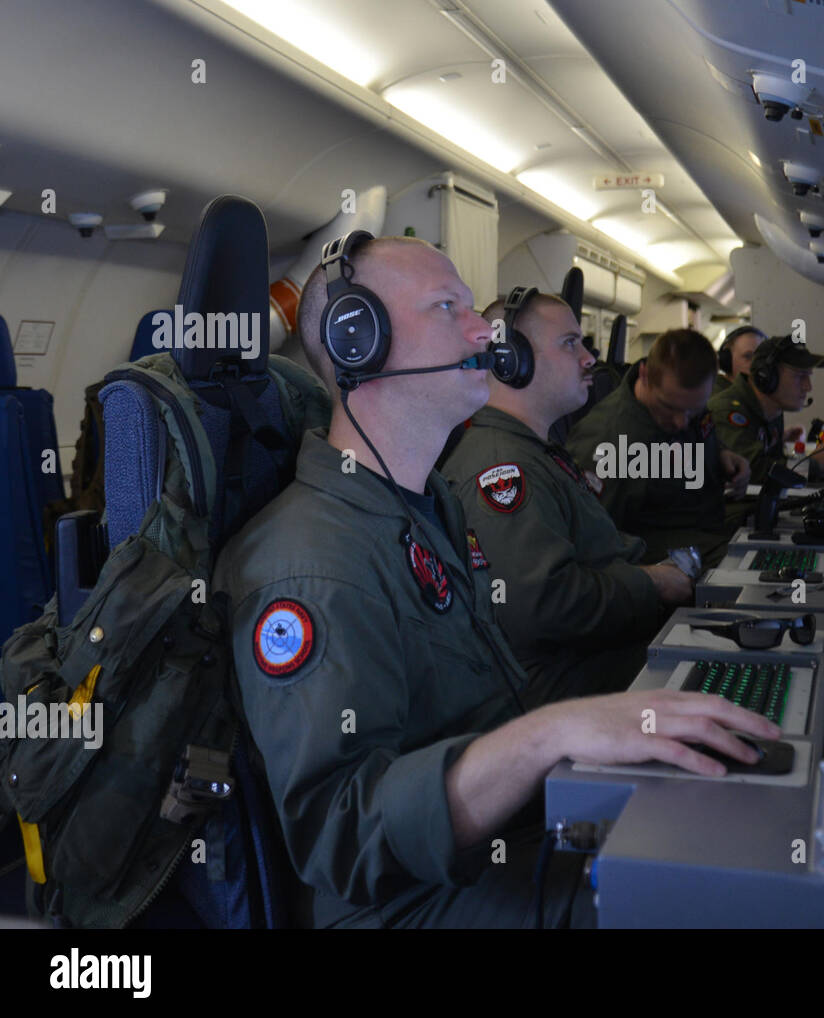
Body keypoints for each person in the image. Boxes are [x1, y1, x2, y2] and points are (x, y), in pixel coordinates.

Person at [214, 236, 778, 929]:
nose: (483, 330)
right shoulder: (310, 562)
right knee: (710, 904)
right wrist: (550, 735)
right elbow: (345, 835)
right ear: (359, 342)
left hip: (506, 845)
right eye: (447, 307)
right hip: (411, 903)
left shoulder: (423, 508)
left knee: (730, 842)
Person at [441, 289, 693, 705]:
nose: (589, 358)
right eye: (569, 343)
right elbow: (542, 605)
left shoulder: (533, 452)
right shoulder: (503, 468)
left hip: (593, 666)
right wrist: (652, 584)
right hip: (565, 692)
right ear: (510, 360)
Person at [565, 328, 751, 569]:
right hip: (659, 557)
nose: (681, 422)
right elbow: (593, 545)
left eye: (693, 411)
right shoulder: (609, 443)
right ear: (644, 375)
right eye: (669, 408)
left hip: (706, 525)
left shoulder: (681, 396)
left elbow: (695, 435)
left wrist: (721, 453)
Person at [709, 334, 824, 484]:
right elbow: (754, 470)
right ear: (767, 377)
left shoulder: (771, 411)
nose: (808, 387)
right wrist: (813, 465)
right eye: (800, 376)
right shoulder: (727, 410)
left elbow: (774, 463)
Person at [714, 325, 765, 392]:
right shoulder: (719, 398)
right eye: (748, 356)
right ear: (727, 361)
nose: (757, 364)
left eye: (761, 357)